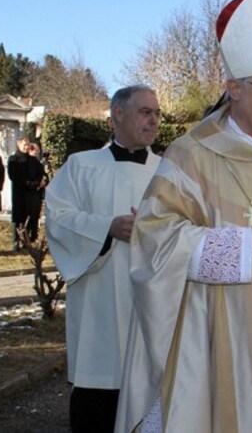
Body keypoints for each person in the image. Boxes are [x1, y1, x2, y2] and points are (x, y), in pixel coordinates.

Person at [116, 0, 252, 432]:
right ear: (233, 88)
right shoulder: (189, 156)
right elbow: (155, 240)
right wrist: (242, 242)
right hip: (214, 333)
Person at [45, 85, 162, 433]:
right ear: (117, 115)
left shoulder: (168, 169)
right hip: (100, 302)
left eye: (157, 113)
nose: (154, 120)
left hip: (153, 303)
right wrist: (106, 228)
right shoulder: (81, 166)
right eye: (145, 112)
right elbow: (58, 218)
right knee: (97, 403)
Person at [8, 135, 45, 250]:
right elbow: (13, 175)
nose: (26, 147)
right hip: (19, 192)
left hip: (31, 193)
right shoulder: (13, 159)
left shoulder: (33, 160)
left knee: (29, 217)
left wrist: (37, 182)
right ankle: (16, 242)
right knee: (18, 218)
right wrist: (27, 183)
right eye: (24, 144)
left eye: (28, 144)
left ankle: (26, 241)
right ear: (18, 145)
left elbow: (40, 173)